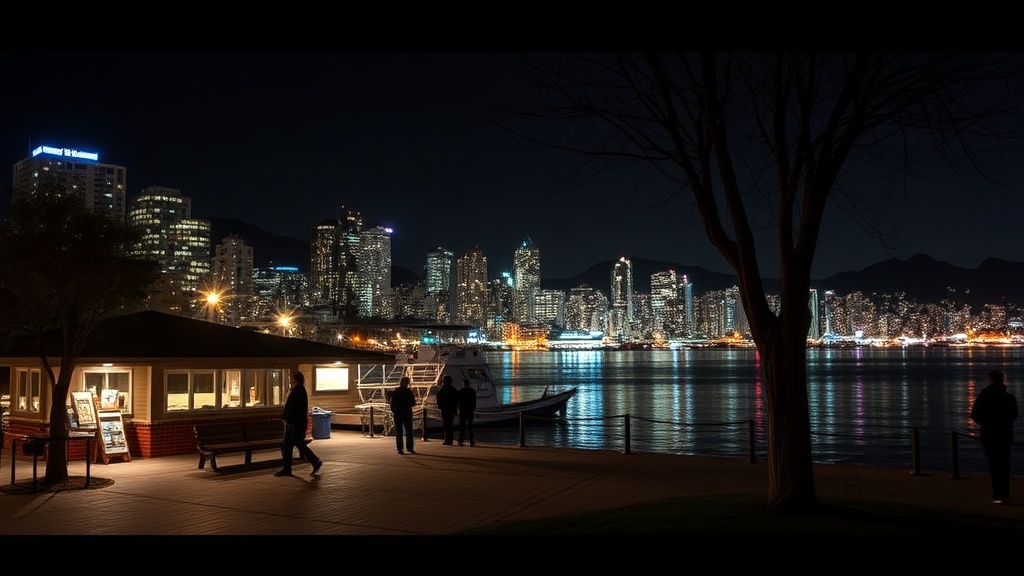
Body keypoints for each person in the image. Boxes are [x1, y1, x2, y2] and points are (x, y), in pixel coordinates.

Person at [970, 370, 1018, 504]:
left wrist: (985, 422)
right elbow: (1014, 415)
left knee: (994, 464)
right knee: (1004, 464)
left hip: (989, 433)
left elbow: (975, 415)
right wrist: (1004, 422)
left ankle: (997, 493)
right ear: (1002, 381)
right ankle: (1004, 493)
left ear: (989, 380)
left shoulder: (983, 397)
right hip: (1005, 433)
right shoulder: (1009, 398)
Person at [275, 371, 323, 477]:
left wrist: (286, 417)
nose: (290, 380)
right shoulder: (299, 390)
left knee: (297, 443)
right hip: (293, 422)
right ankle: (287, 468)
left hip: (295, 423)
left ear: (295, 380)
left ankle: (314, 460)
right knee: (288, 445)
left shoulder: (298, 391)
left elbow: (293, 407)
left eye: (291, 379)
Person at [390, 376, 416, 455]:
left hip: (398, 413)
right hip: (407, 413)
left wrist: (394, 411)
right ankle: (410, 448)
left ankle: (400, 448)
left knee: (399, 431)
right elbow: (413, 403)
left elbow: (392, 403)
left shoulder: (396, 391)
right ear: (407, 383)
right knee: (409, 431)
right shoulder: (409, 392)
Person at [436, 374, 459, 445]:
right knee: (450, 424)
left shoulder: (442, 389)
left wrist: (440, 406)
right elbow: (456, 400)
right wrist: (455, 409)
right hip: (451, 409)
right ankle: (450, 439)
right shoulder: (453, 389)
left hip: (445, 409)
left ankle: (447, 439)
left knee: (446, 424)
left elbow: (438, 398)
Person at [457, 377, 477, 447]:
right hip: (469, 410)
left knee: (462, 426)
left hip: (462, 410)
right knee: (470, 426)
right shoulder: (472, 391)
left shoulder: (460, 392)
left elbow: (457, 401)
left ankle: (461, 440)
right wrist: (473, 408)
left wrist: (458, 409)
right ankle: (471, 441)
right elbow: (474, 401)